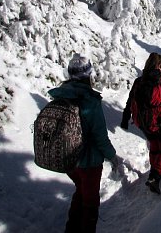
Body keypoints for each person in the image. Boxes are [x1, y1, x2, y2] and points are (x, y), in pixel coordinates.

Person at [48, 54, 118, 233]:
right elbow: (100, 136)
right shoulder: (90, 101)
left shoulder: (61, 95)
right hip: (89, 162)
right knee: (90, 204)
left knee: (80, 192)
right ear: (88, 74)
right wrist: (112, 156)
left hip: (68, 159)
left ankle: (71, 229)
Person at [124, 52, 161, 195]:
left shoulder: (139, 81)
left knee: (155, 147)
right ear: (159, 65)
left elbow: (130, 100)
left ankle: (153, 172)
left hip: (145, 123)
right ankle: (155, 176)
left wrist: (125, 117)